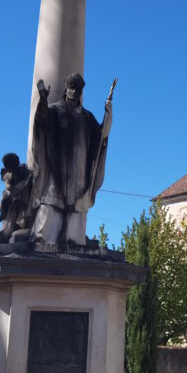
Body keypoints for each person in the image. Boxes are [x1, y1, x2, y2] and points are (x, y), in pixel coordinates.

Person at [29, 73, 112, 245]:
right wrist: (43, 100)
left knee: (77, 213)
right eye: (71, 88)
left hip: (78, 174)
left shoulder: (87, 118)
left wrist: (108, 116)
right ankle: (44, 238)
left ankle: (74, 240)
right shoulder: (54, 111)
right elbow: (41, 122)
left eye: (77, 89)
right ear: (66, 89)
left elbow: (100, 140)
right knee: (51, 202)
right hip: (56, 169)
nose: (74, 92)